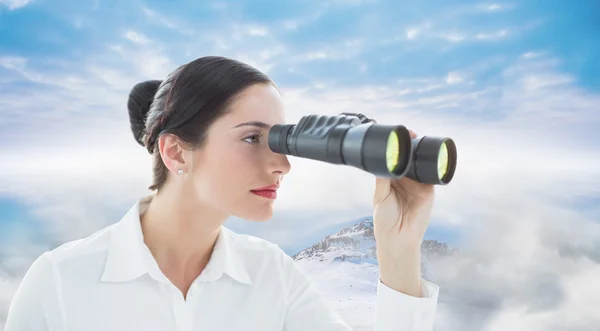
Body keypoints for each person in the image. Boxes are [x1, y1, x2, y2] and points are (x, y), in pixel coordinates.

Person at [4, 56, 440, 331]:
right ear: (175, 150)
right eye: (253, 138)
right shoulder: (61, 279)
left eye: (281, 142)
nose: (281, 164)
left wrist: (399, 250)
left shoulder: (272, 275)